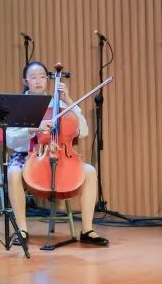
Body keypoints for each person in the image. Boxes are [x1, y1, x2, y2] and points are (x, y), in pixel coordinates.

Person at [6, 61, 109, 247]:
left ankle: (87, 230)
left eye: (42, 77)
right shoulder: (19, 106)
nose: (38, 81)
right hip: (26, 155)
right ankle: (21, 230)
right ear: (25, 81)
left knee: (90, 171)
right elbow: (11, 140)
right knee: (13, 172)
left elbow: (83, 131)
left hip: (60, 155)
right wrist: (34, 130)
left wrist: (68, 100)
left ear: (48, 79)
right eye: (33, 77)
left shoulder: (59, 104)